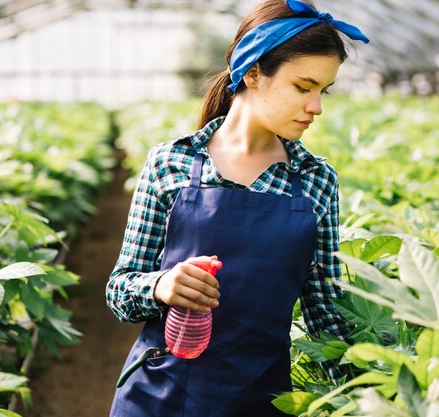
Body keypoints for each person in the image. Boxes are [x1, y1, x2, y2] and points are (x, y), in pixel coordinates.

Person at [106, 1, 369, 416]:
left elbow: (327, 313)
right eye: (304, 87)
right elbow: (119, 291)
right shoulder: (170, 163)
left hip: (261, 398)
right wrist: (161, 286)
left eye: (324, 90)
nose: (316, 106)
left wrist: (369, 394)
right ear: (252, 73)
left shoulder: (317, 180)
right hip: (160, 394)